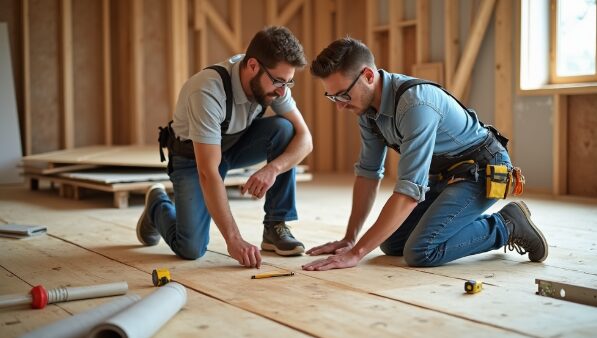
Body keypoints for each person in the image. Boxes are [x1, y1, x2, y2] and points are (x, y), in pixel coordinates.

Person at [303, 37, 548, 271]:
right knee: (391, 243)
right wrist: (350, 239)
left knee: (421, 251)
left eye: (344, 95)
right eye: (332, 97)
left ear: (368, 75)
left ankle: (507, 225)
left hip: (483, 171)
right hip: (445, 176)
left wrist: (357, 254)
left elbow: (409, 192)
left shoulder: (415, 104)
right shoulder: (367, 113)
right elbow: (368, 174)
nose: (340, 105)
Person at [136, 26, 313, 269]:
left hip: (233, 146)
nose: (283, 91)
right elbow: (208, 172)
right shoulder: (207, 90)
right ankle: (157, 204)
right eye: (279, 82)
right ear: (253, 66)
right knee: (191, 248)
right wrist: (234, 240)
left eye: (288, 82)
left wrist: (273, 169)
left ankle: (276, 225)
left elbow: (306, 138)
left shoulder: (275, 82)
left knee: (285, 130)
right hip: (192, 159)